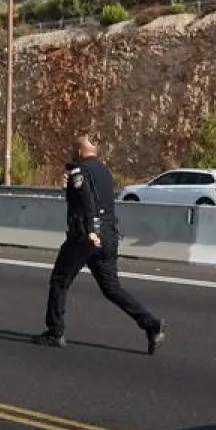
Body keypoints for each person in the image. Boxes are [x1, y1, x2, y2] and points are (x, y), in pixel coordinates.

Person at [33, 131, 166, 354]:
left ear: (78, 151)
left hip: (86, 236)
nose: (70, 152)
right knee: (112, 288)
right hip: (109, 235)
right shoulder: (104, 171)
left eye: (73, 148)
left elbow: (86, 201)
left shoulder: (79, 170)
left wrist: (90, 232)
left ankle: (55, 332)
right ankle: (151, 324)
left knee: (59, 281)